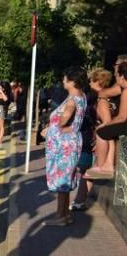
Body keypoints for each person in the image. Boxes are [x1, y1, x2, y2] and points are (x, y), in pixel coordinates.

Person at [44, 67, 88, 226]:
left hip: (64, 145)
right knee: (65, 179)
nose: (63, 81)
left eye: (65, 79)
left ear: (73, 81)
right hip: (70, 141)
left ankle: (60, 217)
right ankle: (64, 214)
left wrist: (55, 126)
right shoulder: (81, 96)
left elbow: (64, 120)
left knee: (61, 179)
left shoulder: (72, 100)